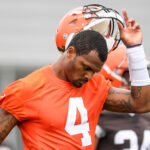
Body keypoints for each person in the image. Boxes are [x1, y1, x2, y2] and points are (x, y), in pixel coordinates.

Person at [0, 5, 150, 150]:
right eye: (86, 68)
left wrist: (135, 49)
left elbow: (141, 104)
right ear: (70, 52)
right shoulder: (26, 90)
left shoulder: (96, 86)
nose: (89, 76)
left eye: (94, 71)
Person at [95, 45, 150, 150]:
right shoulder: (98, 114)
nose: (135, 80)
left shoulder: (146, 111)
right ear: (110, 74)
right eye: (129, 74)